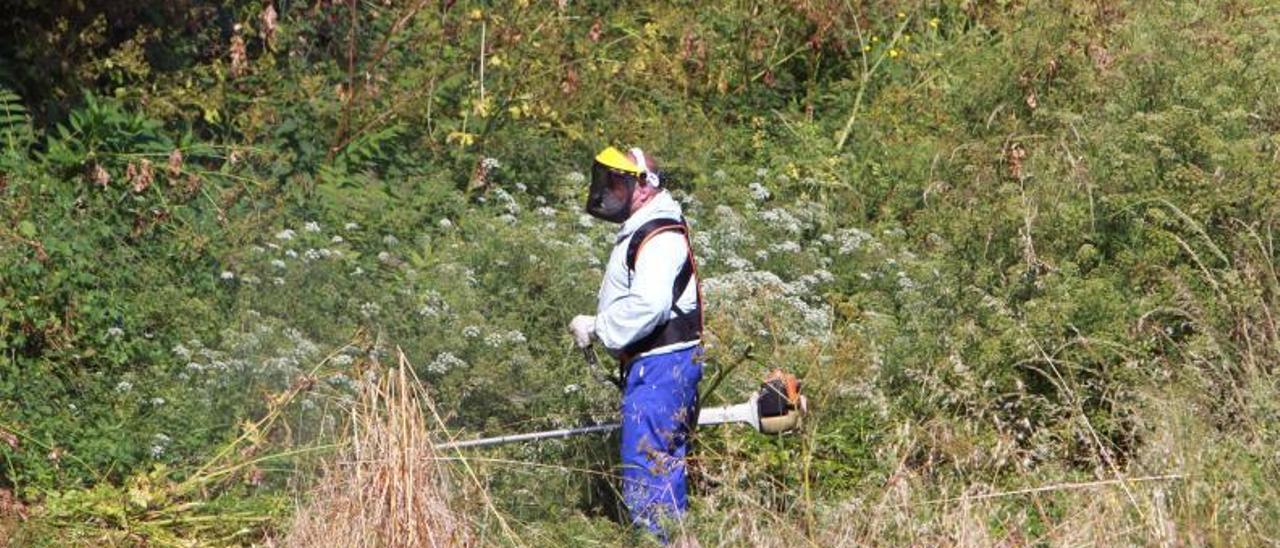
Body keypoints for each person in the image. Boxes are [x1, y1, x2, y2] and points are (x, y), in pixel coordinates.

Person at [568, 146, 704, 539]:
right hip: (657, 366)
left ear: (644, 186)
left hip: (662, 367)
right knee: (659, 471)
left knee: (648, 476)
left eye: (618, 181)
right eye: (608, 180)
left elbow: (649, 305)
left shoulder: (660, 235)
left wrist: (599, 327)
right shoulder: (647, 227)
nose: (609, 189)